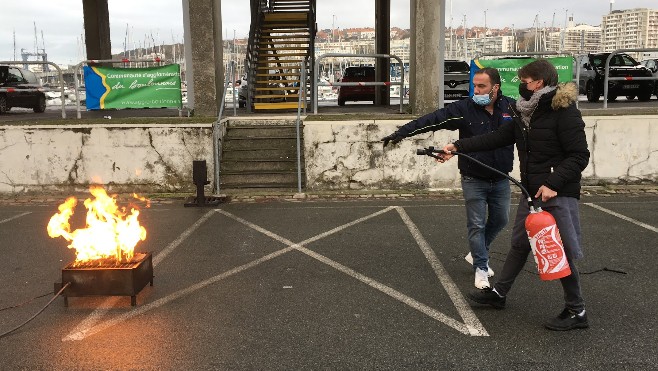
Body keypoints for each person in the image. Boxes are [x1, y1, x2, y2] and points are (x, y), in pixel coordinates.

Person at [439, 59, 590, 331]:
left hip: (557, 192)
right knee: (520, 243)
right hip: (532, 191)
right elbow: (495, 138)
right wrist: (457, 146)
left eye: (524, 81)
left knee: (560, 250)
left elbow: (580, 156)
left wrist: (553, 183)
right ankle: (499, 294)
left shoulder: (564, 111)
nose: (521, 85)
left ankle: (577, 310)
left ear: (538, 83)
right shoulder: (524, 112)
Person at [382, 67, 515, 290]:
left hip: (501, 177)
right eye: (475, 85)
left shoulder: (510, 107)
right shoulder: (464, 108)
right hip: (474, 178)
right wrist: (402, 132)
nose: (477, 90)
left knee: (501, 219)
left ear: (496, 88)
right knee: (476, 224)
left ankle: (476, 253)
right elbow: (433, 119)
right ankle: (481, 268)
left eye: (482, 86)